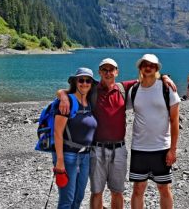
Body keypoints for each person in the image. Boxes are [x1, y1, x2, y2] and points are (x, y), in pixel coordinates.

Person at [58, 58, 177, 209]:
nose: (108, 73)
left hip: (119, 150)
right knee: (96, 192)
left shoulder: (123, 88)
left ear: (117, 72)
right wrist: (62, 95)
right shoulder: (91, 90)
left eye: (111, 70)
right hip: (97, 149)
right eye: (104, 70)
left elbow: (147, 77)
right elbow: (69, 91)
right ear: (99, 72)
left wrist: (164, 76)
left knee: (117, 192)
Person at [129, 54, 180, 209]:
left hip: (161, 148)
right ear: (140, 68)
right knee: (138, 189)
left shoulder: (167, 89)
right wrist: (63, 94)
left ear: (157, 68)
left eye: (152, 65)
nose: (148, 67)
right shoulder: (134, 89)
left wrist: (173, 149)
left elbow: (174, 121)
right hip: (139, 148)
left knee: (164, 188)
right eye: (145, 64)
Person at [54, 68, 98, 209]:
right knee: (67, 199)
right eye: (81, 80)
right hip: (68, 156)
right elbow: (57, 132)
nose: (84, 83)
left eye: (88, 80)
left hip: (85, 156)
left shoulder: (90, 102)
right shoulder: (67, 102)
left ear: (92, 83)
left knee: (79, 197)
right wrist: (59, 161)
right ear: (75, 82)